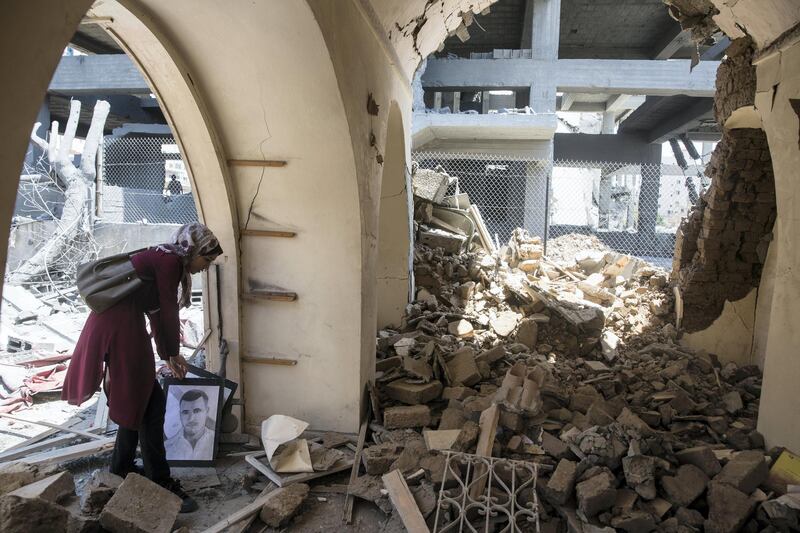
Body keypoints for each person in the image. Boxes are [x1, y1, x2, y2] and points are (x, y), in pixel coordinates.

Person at [62, 223, 223, 513]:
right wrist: (171, 353)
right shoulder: (171, 261)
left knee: (142, 401)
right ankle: (158, 480)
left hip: (120, 322)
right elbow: (167, 310)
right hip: (120, 326)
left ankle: (121, 469)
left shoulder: (163, 256)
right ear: (195, 250)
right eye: (207, 259)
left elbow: (157, 312)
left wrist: (168, 354)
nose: (206, 266)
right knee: (147, 402)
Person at [164, 389, 215, 461]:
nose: (191, 419)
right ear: (180, 415)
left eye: (197, 411)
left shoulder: (215, 442)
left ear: (207, 412)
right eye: (185, 412)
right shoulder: (167, 447)